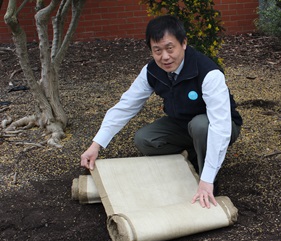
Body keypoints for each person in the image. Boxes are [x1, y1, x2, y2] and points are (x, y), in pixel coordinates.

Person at [80, 15, 242, 209]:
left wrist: (207, 179)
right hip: (182, 125)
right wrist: (96, 144)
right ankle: (192, 153)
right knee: (145, 139)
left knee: (201, 126)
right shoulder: (151, 71)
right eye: (157, 50)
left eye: (169, 48)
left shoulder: (208, 73)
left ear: (183, 43)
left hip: (219, 126)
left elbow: (220, 126)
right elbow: (126, 105)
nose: (164, 57)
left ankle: (206, 175)